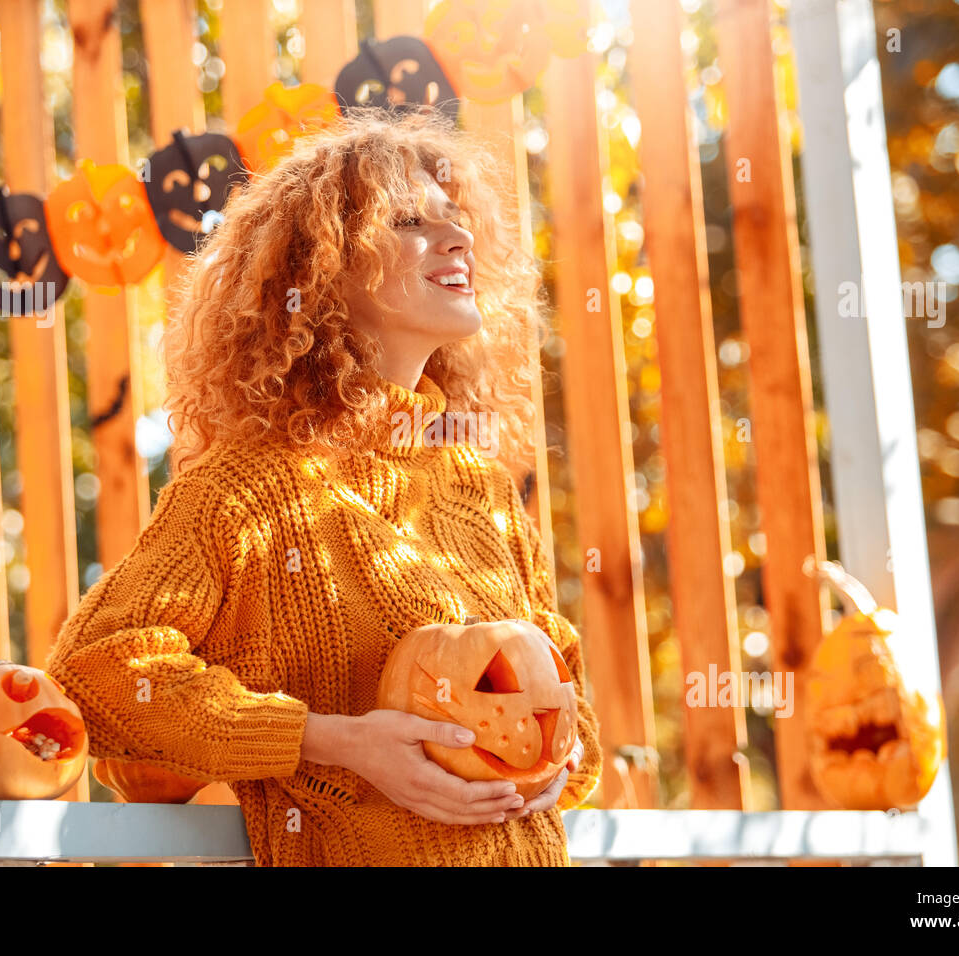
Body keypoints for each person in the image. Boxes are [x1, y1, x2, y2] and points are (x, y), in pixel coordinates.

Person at [45, 106, 602, 866]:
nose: (457, 238)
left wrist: (557, 761)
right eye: (410, 221)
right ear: (326, 267)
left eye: (455, 219)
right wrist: (333, 742)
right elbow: (97, 671)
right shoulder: (247, 492)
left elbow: (567, 704)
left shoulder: (482, 491)